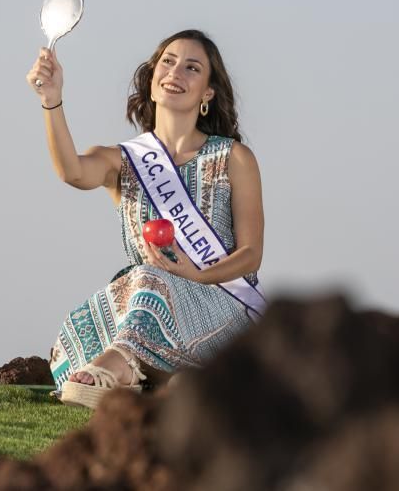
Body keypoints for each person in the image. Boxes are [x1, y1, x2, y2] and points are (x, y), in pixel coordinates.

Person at [26, 30, 265, 409]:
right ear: (152, 80)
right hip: (147, 299)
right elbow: (73, 172)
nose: (176, 72)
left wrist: (196, 274)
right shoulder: (123, 160)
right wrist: (52, 102)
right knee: (88, 318)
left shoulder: (234, 158)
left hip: (221, 305)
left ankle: (115, 370)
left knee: (148, 282)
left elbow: (251, 255)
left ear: (207, 93)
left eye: (192, 67)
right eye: (168, 62)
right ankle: (166, 376)